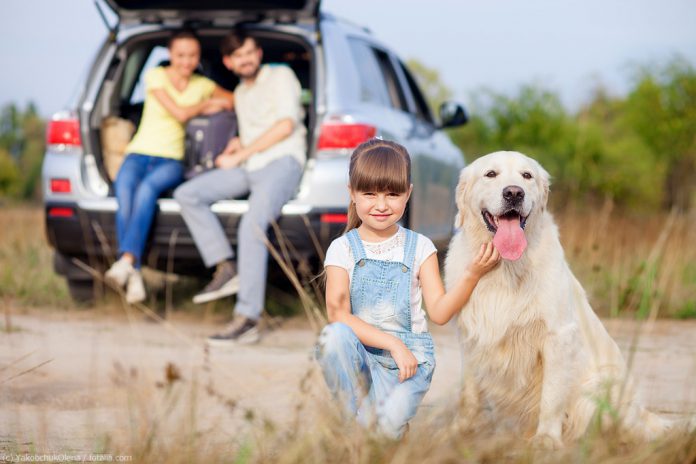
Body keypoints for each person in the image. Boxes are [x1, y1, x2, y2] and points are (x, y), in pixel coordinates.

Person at [315, 139, 501, 439]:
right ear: (351, 192)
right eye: (369, 194)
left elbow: (439, 312)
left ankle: (383, 426)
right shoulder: (342, 249)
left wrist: (473, 273)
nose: (381, 205)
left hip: (408, 364)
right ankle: (349, 426)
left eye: (392, 194)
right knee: (332, 337)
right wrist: (391, 344)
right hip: (363, 356)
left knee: (380, 432)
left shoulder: (419, 247)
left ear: (408, 193)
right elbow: (338, 315)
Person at [174, 30, 306, 344]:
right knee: (187, 193)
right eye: (238, 56)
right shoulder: (241, 94)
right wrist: (237, 146)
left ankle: (248, 319)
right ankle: (226, 266)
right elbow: (253, 132)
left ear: (258, 53)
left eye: (249, 52)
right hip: (250, 165)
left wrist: (244, 152)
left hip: (281, 162)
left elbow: (285, 125)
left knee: (252, 225)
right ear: (228, 62)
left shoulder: (281, 76)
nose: (245, 60)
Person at [105, 30, 234, 303]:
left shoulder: (202, 84)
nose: (186, 61)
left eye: (192, 56)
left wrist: (217, 101)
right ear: (170, 55)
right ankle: (134, 270)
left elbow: (234, 100)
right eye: (180, 55)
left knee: (147, 192)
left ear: (198, 57)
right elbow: (179, 112)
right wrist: (206, 105)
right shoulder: (156, 76)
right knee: (124, 194)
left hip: (172, 159)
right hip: (137, 154)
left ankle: (126, 262)